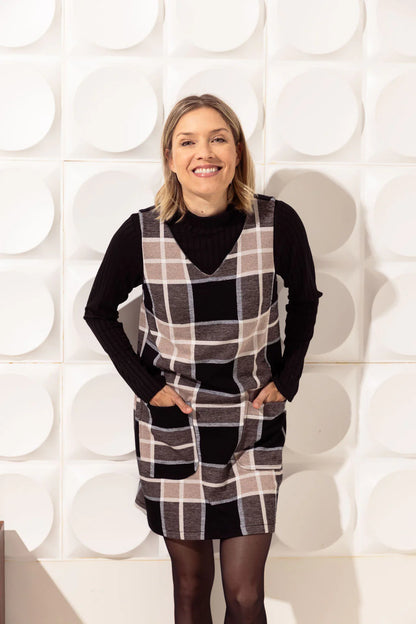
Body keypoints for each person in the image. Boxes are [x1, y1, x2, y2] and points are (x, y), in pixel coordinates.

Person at [84, 93, 323, 624]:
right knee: (191, 591)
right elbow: (98, 312)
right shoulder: (141, 233)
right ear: (170, 158)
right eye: (187, 141)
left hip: (252, 426)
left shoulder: (278, 223)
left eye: (217, 138)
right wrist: (149, 390)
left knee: (244, 596)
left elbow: (304, 299)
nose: (203, 152)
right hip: (176, 427)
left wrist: (288, 377)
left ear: (236, 151)